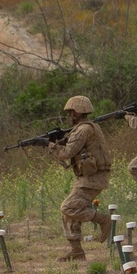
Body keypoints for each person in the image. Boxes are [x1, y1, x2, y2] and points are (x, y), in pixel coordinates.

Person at [48, 96, 113, 261]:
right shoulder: (86, 127)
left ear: (77, 112)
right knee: (69, 213)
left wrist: (51, 146)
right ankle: (76, 251)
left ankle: (103, 220)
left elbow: (67, 153)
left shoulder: (83, 130)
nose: (69, 116)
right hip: (89, 177)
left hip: (92, 178)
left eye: (71, 112)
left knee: (68, 207)